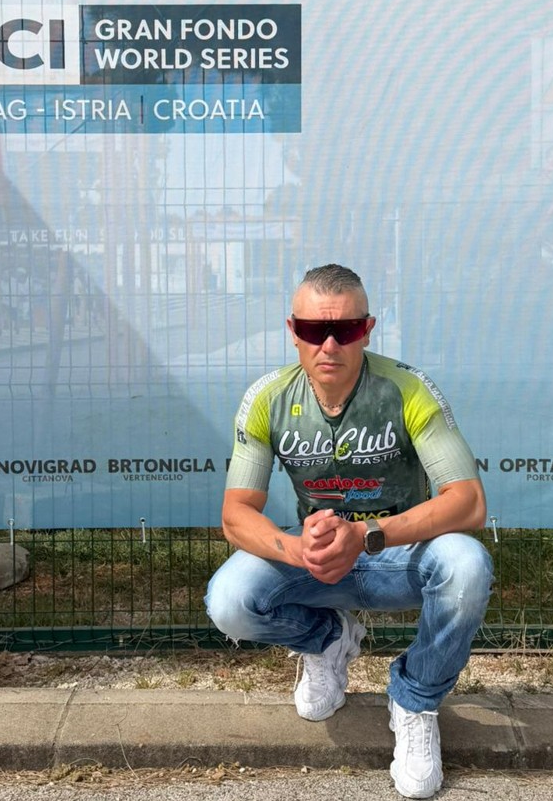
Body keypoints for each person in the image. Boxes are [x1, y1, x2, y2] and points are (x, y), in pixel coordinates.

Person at [205, 264, 493, 799]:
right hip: (318, 559)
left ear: (368, 329)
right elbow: (236, 514)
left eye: (347, 329)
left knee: (467, 565)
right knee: (229, 601)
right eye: (314, 330)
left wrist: (366, 535)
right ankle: (328, 640)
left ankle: (415, 700)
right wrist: (297, 549)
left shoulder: (407, 388)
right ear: (293, 331)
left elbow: (469, 501)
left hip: (397, 553)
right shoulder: (268, 398)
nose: (330, 344)